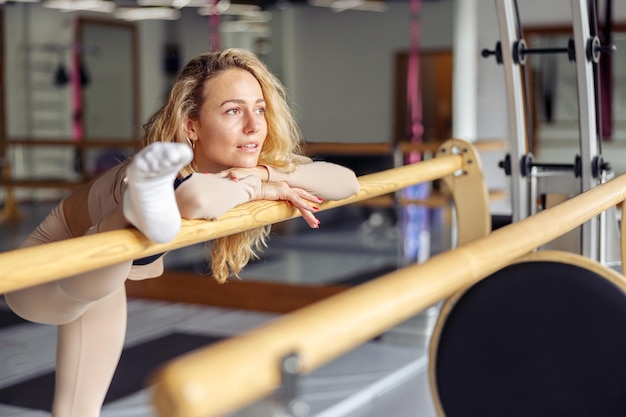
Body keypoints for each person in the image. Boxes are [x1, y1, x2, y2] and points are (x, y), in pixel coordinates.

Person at [4, 48, 360, 417]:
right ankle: (131, 211)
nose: (254, 126)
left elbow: (346, 181)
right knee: (105, 256)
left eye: (260, 109)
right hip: (43, 273)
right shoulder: (171, 168)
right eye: (233, 111)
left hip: (107, 286)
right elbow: (198, 198)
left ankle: (134, 215)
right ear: (191, 126)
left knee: (79, 409)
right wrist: (266, 187)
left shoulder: (246, 162)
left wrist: (263, 175)